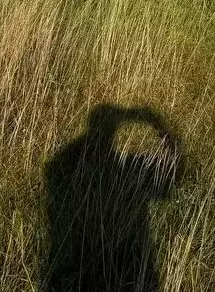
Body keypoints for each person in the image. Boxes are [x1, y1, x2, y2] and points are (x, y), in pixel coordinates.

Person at [43, 104, 182, 291]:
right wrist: (163, 130)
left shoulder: (65, 161)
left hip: (80, 261)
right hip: (125, 265)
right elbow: (172, 177)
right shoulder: (131, 167)